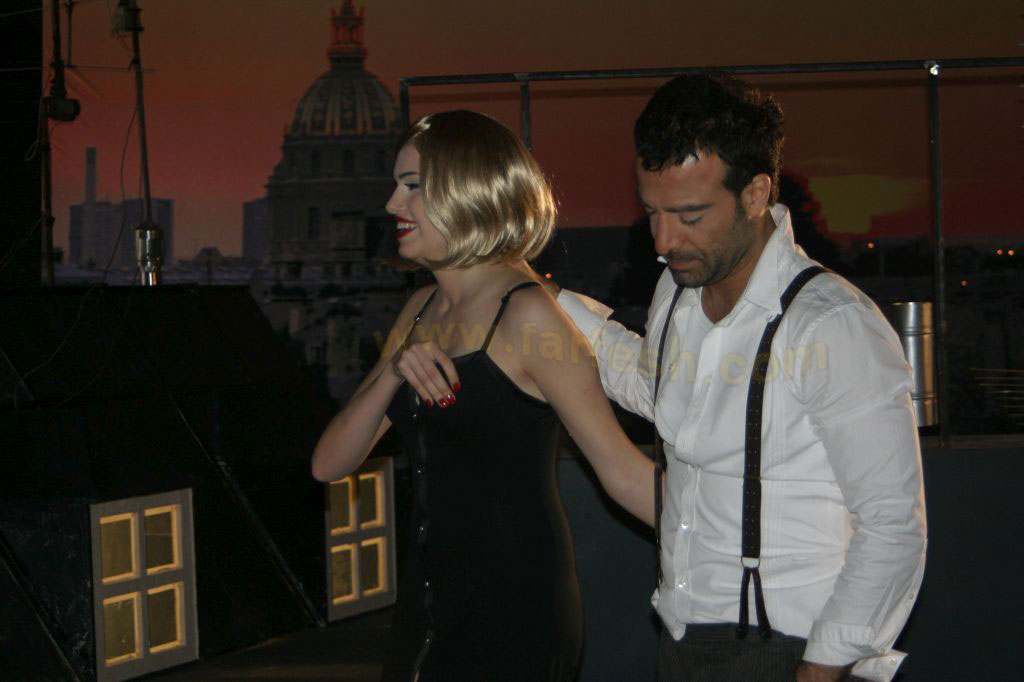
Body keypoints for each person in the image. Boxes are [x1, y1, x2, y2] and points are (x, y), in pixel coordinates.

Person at [555, 74, 927, 681]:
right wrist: (546, 303)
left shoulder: (831, 324)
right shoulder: (677, 291)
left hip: (790, 650)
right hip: (682, 637)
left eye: (690, 215)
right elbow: (653, 386)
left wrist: (822, 668)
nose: (664, 240)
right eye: (652, 213)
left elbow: (892, 524)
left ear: (755, 195)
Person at [311, 109, 656, 682]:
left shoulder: (528, 314)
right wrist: (395, 369)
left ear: (467, 191)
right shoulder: (419, 309)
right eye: (396, 185)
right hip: (427, 605)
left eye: (412, 186)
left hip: (516, 612)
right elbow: (328, 464)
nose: (393, 204)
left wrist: (751, 543)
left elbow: (621, 471)